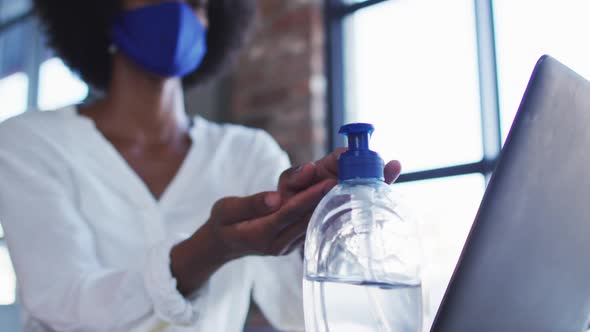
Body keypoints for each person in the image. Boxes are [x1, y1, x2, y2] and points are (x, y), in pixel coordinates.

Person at [0, 0, 402, 331]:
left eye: (196, 2)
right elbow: (65, 306)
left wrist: (329, 226)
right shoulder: (30, 143)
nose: (177, 10)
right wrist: (210, 249)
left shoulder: (248, 153)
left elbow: (299, 312)